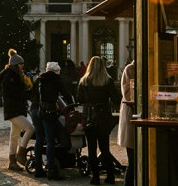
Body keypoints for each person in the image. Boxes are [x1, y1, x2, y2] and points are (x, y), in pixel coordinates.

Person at [77, 56, 121, 185]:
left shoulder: (84, 81)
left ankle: (95, 177)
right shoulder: (108, 80)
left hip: (89, 117)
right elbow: (116, 98)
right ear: (102, 66)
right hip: (103, 117)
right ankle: (110, 176)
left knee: (91, 149)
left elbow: (79, 99)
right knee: (104, 148)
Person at [33, 61, 74, 180]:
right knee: (50, 139)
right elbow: (66, 94)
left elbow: (31, 94)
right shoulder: (56, 79)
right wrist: (71, 107)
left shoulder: (39, 79)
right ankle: (51, 170)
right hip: (48, 112)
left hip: (36, 110)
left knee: (39, 138)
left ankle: (38, 168)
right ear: (57, 71)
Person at [0, 48, 34, 171]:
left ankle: (12, 161)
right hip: (14, 109)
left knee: (14, 136)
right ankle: (21, 153)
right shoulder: (11, 76)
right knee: (30, 129)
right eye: (21, 64)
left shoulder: (14, 75)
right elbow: (15, 93)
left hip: (15, 109)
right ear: (15, 64)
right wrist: (26, 92)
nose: (22, 66)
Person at [118, 60, 136, 186]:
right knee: (132, 161)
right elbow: (128, 95)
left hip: (134, 118)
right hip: (131, 117)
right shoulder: (130, 69)